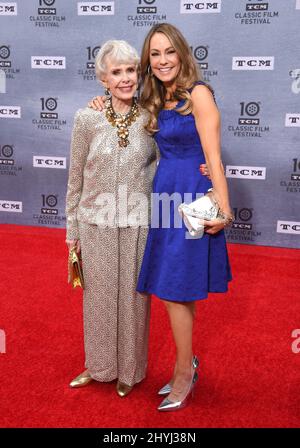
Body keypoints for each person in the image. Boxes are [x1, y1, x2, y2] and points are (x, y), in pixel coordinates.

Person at [88, 23, 233, 412]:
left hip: (190, 199)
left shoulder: (197, 94)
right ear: (147, 60)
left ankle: (185, 371)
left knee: (176, 288)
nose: (163, 60)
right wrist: (99, 102)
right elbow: (122, 114)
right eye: (155, 54)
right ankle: (186, 365)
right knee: (170, 287)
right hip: (164, 197)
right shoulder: (154, 96)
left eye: (169, 51)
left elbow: (214, 156)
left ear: (182, 53)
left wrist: (223, 206)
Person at [65, 40, 158, 397]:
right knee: (99, 299)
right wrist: (72, 230)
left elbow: (169, 163)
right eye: (116, 72)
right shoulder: (87, 118)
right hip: (94, 223)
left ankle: (129, 372)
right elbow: (75, 178)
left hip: (138, 224)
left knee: (134, 301)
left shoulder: (151, 119)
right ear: (103, 79)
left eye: (130, 70)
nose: (125, 78)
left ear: (138, 73)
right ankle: (99, 366)